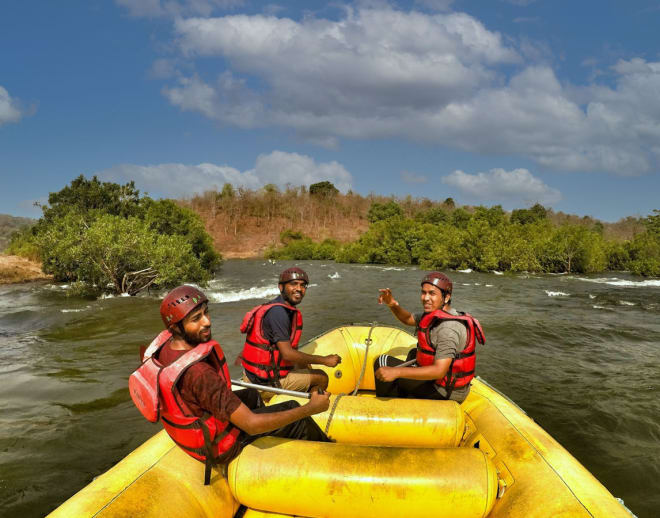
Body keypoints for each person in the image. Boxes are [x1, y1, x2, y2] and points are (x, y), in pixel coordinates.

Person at [129, 285, 330, 485]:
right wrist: (310, 408)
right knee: (294, 411)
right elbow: (250, 424)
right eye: (195, 319)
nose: (207, 322)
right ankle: (330, 458)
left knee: (252, 396)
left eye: (205, 312)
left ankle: (272, 443)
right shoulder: (200, 374)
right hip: (218, 444)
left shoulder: (163, 347)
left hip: (195, 419)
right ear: (176, 328)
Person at [373, 272, 485, 403]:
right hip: (441, 383)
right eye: (423, 292)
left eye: (432, 293)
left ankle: (389, 412)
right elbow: (408, 319)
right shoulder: (435, 314)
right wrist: (392, 304)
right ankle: (405, 399)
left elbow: (439, 371)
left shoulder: (448, 329)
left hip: (446, 392)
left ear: (446, 297)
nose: (426, 298)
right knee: (413, 353)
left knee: (383, 361)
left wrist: (396, 372)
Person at [240, 267, 341, 393]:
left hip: (258, 376)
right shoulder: (279, 313)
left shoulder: (278, 307)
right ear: (281, 287)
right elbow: (287, 353)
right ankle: (308, 409)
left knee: (305, 365)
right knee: (321, 377)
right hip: (263, 384)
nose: (299, 289)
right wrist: (325, 360)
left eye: (303, 285)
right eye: (293, 284)